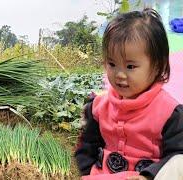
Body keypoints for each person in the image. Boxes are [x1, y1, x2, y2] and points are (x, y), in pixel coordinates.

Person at [74, 8, 183, 180]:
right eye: (112, 64)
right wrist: (87, 173)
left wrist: (149, 175)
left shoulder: (170, 112)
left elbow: (177, 154)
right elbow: (87, 147)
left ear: (157, 66)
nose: (120, 74)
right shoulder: (98, 107)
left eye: (130, 66)